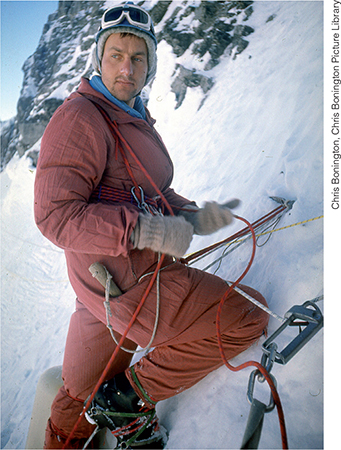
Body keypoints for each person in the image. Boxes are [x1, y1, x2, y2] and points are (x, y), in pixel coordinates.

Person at [34, 2, 269, 449]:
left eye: (138, 57)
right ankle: (129, 400)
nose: (127, 67)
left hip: (99, 291)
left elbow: (142, 188)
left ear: (151, 65)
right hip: (133, 285)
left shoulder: (130, 114)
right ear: (98, 60)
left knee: (78, 393)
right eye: (116, 55)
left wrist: (191, 215)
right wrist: (142, 231)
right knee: (246, 317)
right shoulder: (82, 118)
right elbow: (55, 215)